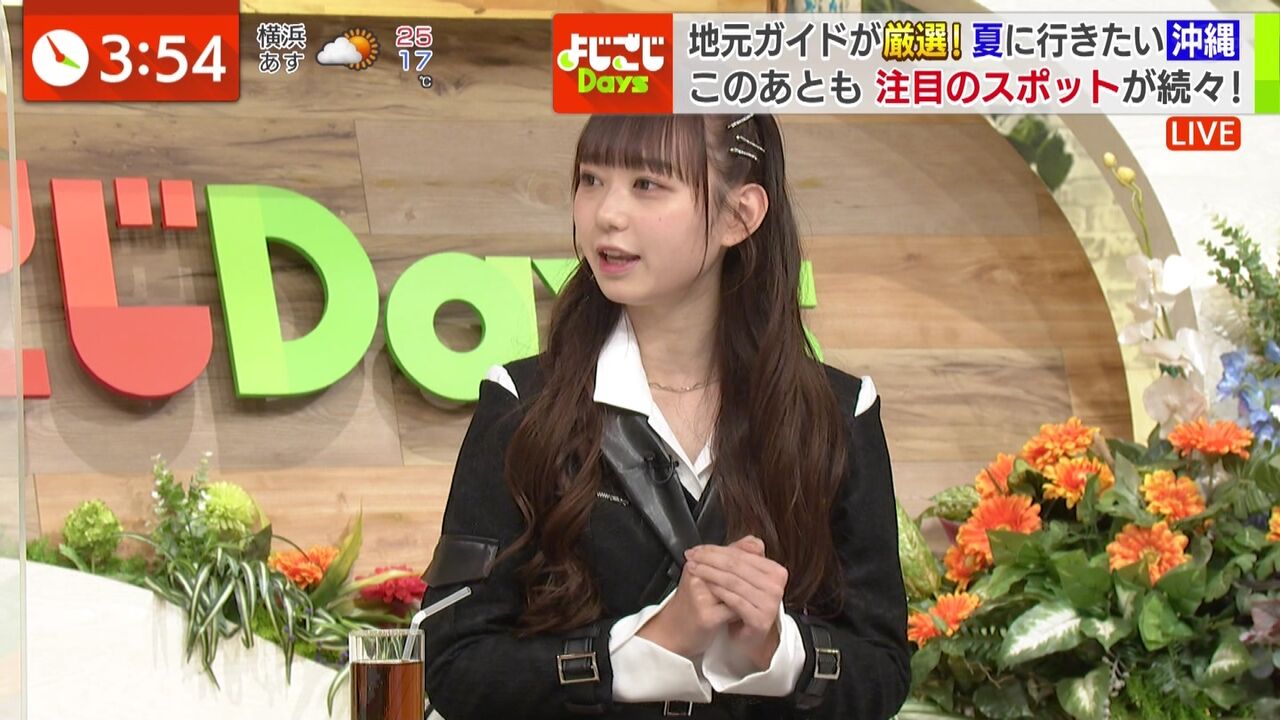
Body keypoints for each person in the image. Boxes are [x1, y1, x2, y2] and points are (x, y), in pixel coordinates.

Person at [418, 113, 909, 719]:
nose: (607, 214)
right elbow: (452, 663)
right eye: (591, 179)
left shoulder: (838, 413)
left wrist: (778, 650)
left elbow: (883, 669)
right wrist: (646, 646)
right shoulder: (523, 405)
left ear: (739, 215)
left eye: (647, 185)